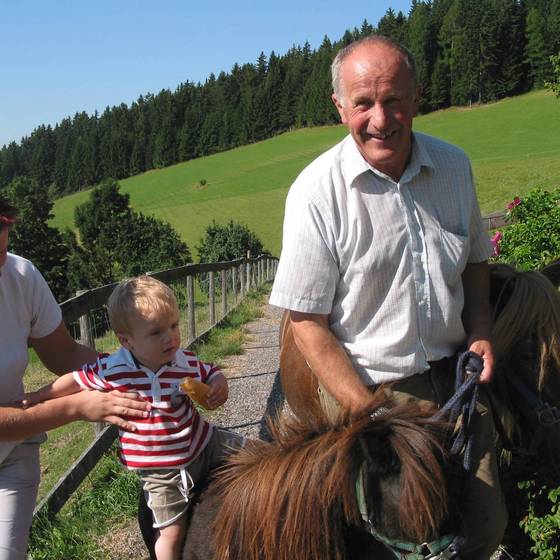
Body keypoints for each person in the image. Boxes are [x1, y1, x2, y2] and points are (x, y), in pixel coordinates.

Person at [269, 36, 506, 559]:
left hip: (454, 382)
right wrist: (369, 411)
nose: (381, 119)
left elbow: (474, 262)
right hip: (369, 391)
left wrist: (482, 330)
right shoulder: (316, 193)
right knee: (399, 542)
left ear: (417, 96)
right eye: (363, 103)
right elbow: (306, 321)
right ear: (340, 107)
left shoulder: (453, 167)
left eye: (394, 99)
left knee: (485, 523)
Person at [24, 275, 244, 560]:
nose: (171, 337)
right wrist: (39, 397)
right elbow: (75, 381)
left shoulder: (182, 361)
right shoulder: (113, 369)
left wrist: (219, 386)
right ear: (126, 340)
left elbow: (211, 372)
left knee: (255, 454)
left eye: (174, 325)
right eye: (156, 332)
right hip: (161, 470)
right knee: (171, 534)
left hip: (203, 442)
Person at [0, 196, 151, 560]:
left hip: (12, 457)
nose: (1, 263)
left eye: (3, 247)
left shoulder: (19, 275)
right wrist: (77, 406)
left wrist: (135, 365)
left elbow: (64, 354)